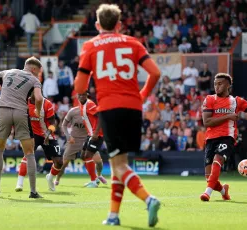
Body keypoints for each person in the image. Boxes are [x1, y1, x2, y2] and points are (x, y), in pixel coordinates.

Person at [73, 4, 161, 227]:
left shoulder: (91, 45)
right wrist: (141, 95)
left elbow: (80, 86)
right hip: (133, 107)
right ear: (119, 24)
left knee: (119, 166)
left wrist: (87, 86)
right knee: (118, 163)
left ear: (97, 25)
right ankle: (113, 215)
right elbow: (155, 72)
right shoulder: (133, 43)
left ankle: (148, 199)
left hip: (110, 108)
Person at [0, 56, 44, 199]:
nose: (39, 75)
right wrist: (38, 111)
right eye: (38, 72)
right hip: (21, 112)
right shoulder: (34, 80)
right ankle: (33, 191)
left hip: (2, 110)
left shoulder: (8, 72)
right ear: (33, 69)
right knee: (29, 152)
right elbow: (39, 99)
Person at [200, 73, 247, 202]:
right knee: (209, 177)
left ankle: (207, 193)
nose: (217, 86)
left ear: (228, 85)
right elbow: (207, 122)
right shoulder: (209, 99)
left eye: (220, 84)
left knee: (217, 159)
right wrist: (228, 116)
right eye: (215, 84)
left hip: (227, 137)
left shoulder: (236, 101)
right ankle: (223, 190)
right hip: (210, 138)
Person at [55, 92, 107, 187]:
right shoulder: (77, 109)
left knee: (95, 159)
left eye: (84, 95)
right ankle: (56, 179)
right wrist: (68, 136)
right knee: (80, 157)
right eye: (80, 95)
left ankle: (96, 179)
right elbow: (64, 124)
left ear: (87, 95)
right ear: (77, 97)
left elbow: (100, 117)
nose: (82, 97)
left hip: (94, 135)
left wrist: (95, 133)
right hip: (77, 139)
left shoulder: (90, 104)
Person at [15, 92, 62, 192]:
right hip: (33, 134)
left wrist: (48, 133)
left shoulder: (47, 104)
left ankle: (50, 177)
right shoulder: (23, 102)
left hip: (47, 134)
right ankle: (19, 183)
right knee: (28, 154)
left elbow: (53, 123)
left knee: (59, 162)